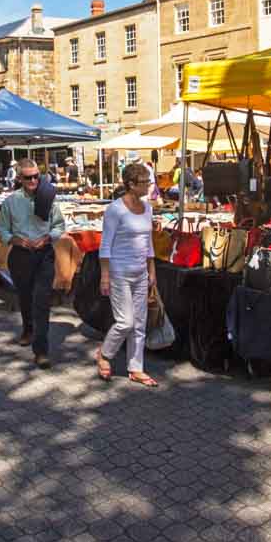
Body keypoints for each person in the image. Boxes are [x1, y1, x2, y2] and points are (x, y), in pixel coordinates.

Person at [0, 158, 65, 369]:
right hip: (20, 255)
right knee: (24, 296)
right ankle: (28, 328)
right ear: (20, 179)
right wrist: (14, 239)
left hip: (44, 254)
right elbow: (2, 229)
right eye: (28, 177)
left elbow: (59, 225)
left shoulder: (49, 197)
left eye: (37, 176)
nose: (34, 180)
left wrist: (48, 237)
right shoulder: (11, 201)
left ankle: (41, 351)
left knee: (42, 301)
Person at [96, 164, 158, 387]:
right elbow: (105, 246)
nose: (149, 186)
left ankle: (136, 367)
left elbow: (148, 242)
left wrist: (151, 270)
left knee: (139, 324)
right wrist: (105, 276)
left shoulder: (148, 208)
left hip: (141, 272)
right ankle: (104, 353)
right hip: (119, 272)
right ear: (131, 184)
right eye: (145, 182)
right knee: (125, 322)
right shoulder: (115, 209)